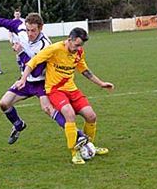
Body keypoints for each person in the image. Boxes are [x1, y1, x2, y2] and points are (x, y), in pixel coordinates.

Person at [0, 9, 87, 146]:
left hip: (42, 82)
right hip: (25, 81)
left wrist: (20, 53)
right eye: (28, 30)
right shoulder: (22, 29)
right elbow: (10, 24)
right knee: (4, 103)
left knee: (48, 109)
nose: (29, 34)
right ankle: (18, 125)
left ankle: (78, 135)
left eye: (33, 31)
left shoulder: (45, 45)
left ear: (41, 28)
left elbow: (37, 71)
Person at [15, 27, 114, 165]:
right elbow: (33, 62)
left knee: (91, 116)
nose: (78, 48)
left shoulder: (78, 52)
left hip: (71, 89)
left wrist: (101, 83)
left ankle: (88, 145)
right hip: (55, 90)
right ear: (69, 39)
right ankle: (75, 152)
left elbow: (84, 70)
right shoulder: (54, 49)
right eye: (77, 44)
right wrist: (23, 79)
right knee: (69, 114)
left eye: (81, 45)